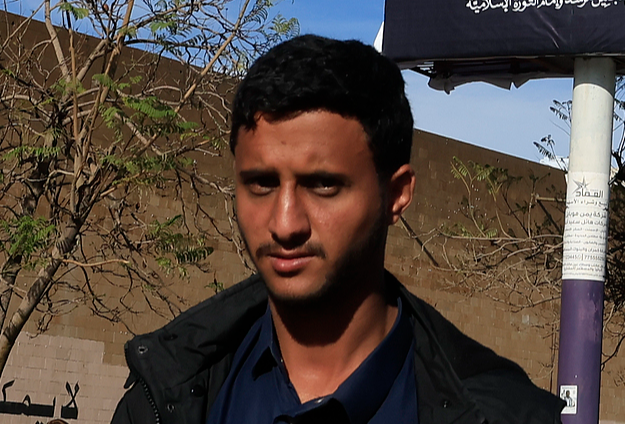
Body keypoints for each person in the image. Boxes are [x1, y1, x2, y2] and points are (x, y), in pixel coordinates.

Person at [113, 35, 561, 424]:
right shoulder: (165, 396)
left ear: (397, 194)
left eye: (323, 185)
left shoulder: (502, 415)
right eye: (261, 184)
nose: (285, 223)